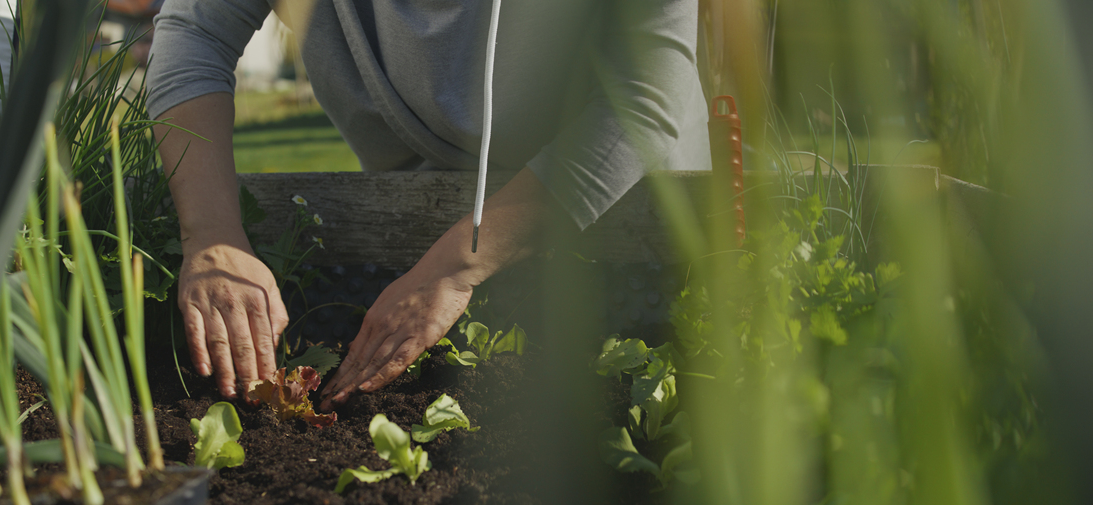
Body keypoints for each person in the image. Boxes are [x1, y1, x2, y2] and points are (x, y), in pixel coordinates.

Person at [146, 0, 710, 410]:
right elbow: (195, 36)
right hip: (419, 230)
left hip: (618, 213)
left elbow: (644, 101)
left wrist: (457, 267)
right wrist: (213, 236)